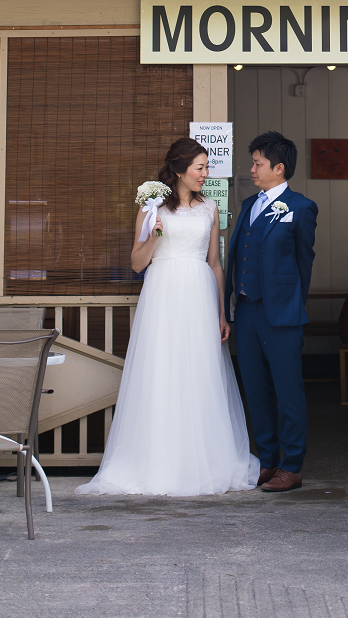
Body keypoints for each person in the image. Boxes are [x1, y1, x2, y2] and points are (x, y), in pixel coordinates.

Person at [76, 138, 258, 497]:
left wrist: (222, 312)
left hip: (200, 294)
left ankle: (205, 460)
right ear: (179, 170)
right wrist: (155, 236)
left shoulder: (210, 208)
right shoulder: (152, 207)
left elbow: (215, 264)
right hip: (163, 293)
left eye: (207, 167)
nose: (205, 174)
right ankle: (159, 462)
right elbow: (136, 263)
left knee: (200, 371)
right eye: (200, 168)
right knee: (163, 370)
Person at [225, 131, 318, 493]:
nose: (252, 169)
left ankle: (291, 466)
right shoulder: (249, 204)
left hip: (282, 314)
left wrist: (293, 304)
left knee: (287, 388)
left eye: (258, 163)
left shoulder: (301, 207)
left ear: (279, 168)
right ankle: (267, 460)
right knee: (255, 387)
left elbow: (304, 263)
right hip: (247, 310)